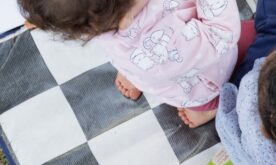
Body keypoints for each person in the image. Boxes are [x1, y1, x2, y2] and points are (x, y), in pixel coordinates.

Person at [19, 0, 249, 128]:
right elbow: (222, 35)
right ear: (124, 16)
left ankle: (133, 74)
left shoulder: (94, 23)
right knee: (260, 39)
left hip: (149, 68)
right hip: (201, 78)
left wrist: (43, 19)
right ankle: (208, 108)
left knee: (140, 62)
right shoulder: (167, 39)